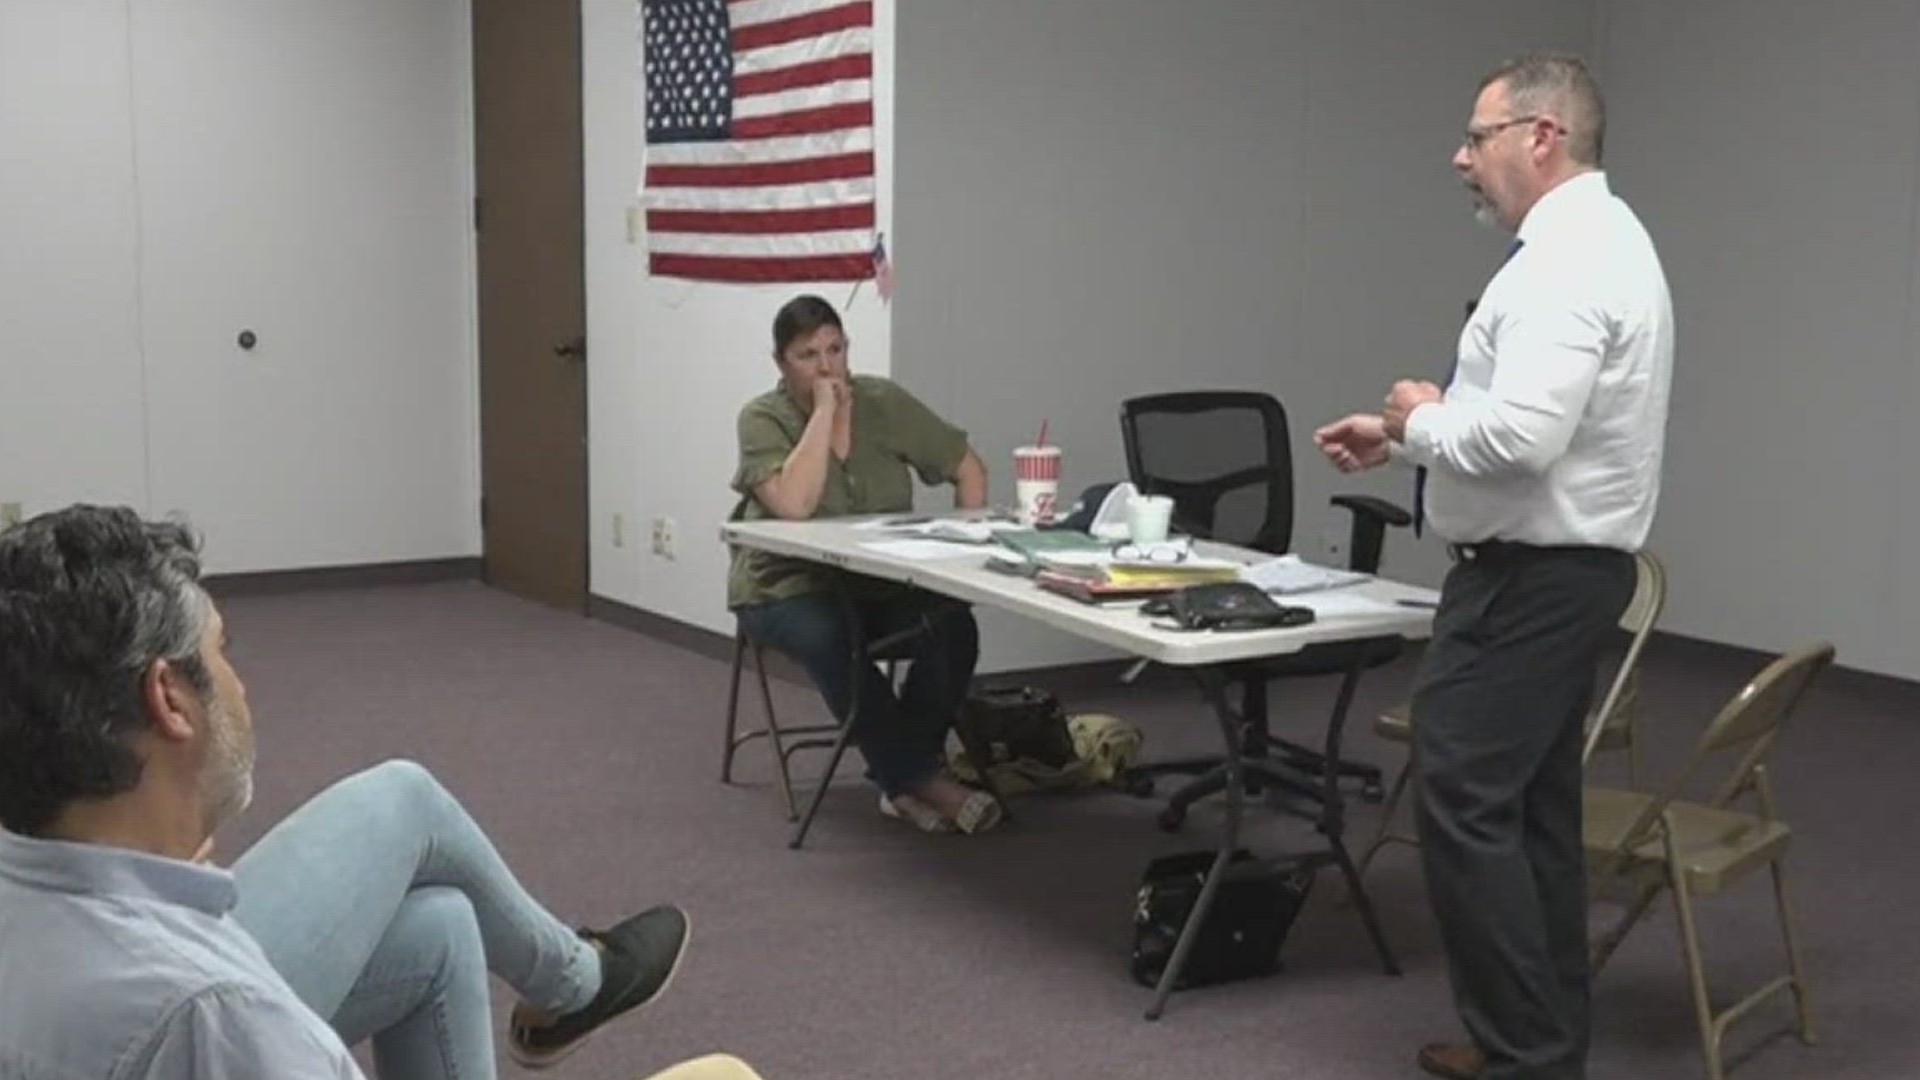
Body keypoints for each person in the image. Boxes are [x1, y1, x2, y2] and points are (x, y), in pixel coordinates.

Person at [0, 505, 707, 1079]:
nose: (240, 685)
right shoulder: (226, 1022)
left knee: (442, 926)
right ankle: (575, 986)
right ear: (171, 700)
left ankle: (574, 984)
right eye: (223, 652)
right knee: (406, 798)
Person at [1313, 53, 1672, 1080]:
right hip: (1548, 575)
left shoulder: (1569, 261)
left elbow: (1520, 443)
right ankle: (1539, 1039)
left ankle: (1528, 1057)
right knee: (1530, 813)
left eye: (1478, 137)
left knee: (1467, 802)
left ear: (1541, 137)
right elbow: (1526, 426)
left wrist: (1422, 417)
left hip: (1531, 584)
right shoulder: (1594, 242)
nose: (1459, 156)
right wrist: (1410, 435)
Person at [728, 294, 1002, 834]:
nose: (828, 366)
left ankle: (900, 778)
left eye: (836, 348)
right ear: (782, 364)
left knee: (952, 625)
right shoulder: (762, 418)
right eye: (809, 355)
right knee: (834, 637)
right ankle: (922, 780)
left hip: (877, 582)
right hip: (785, 586)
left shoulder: (883, 401)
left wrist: (964, 549)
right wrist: (825, 414)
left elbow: (969, 468)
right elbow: (795, 505)